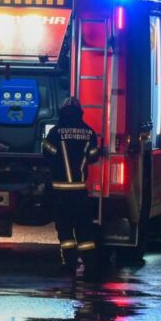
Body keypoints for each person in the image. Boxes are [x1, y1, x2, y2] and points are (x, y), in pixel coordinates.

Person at [42, 96, 102, 276]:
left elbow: (47, 153)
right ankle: (91, 267)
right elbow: (93, 156)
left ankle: (69, 265)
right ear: (79, 113)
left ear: (62, 112)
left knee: (65, 230)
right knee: (84, 231)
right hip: (79, 192)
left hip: (60, 192)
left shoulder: (55, 132)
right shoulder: (89, 133)